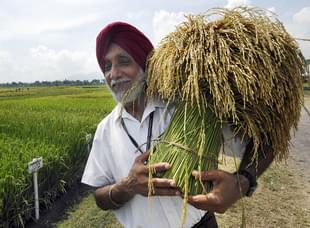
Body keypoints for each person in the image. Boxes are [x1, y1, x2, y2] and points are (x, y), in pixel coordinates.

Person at [81, 21, 274, 228]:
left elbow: (266, 141)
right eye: (107, 66)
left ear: (145, 66)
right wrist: (127, 186)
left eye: (124, 61)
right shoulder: (105, 130)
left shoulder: (189, 107)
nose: (114, 74)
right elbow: (100, 196)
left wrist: (243, 182)